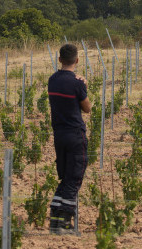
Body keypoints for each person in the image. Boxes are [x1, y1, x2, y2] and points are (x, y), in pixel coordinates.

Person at [47, 43, 92, 234]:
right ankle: (64, 224)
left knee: (65, 178)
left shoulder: (52, 80)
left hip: (59, 135)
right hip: (75, 135)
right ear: (77, 60)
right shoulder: (77, 83)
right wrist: (84, 85)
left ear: (59, 60)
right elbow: (87, 108)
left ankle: (55, 220)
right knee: (73, 179)